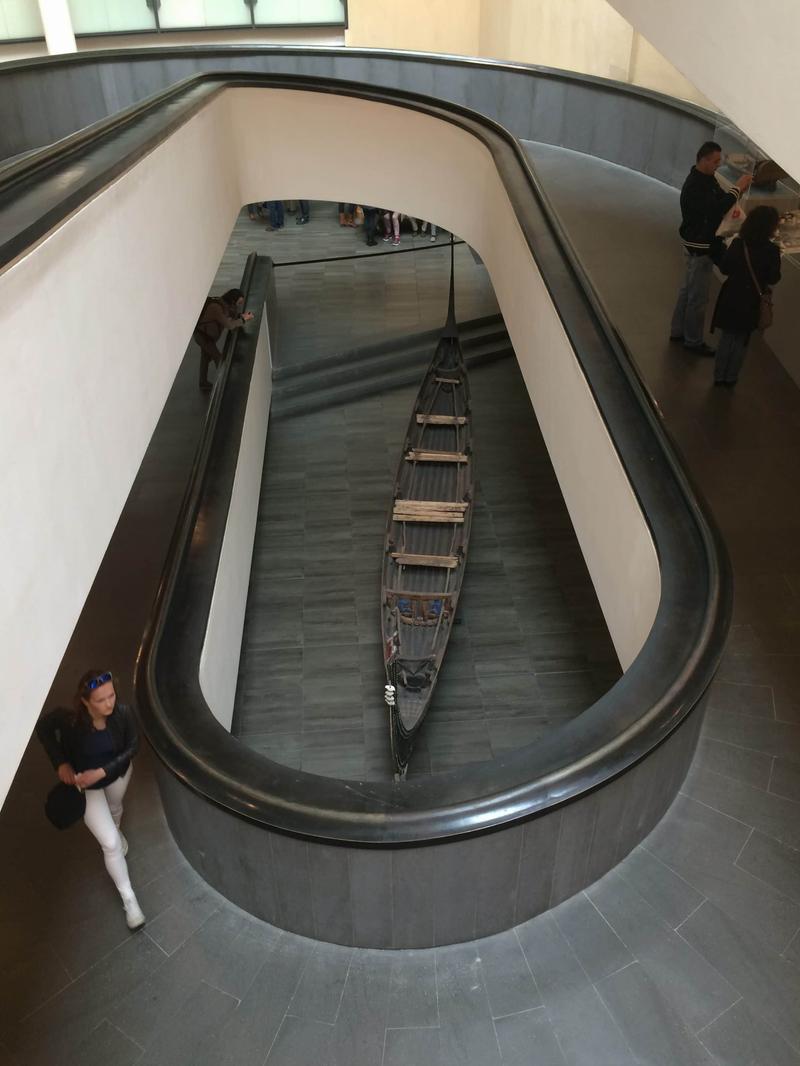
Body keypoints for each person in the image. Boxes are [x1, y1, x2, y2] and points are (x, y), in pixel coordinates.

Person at [36, 670, 146, 931]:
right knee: (109, 844)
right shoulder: (70, 721)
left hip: (117, 776)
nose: (109, 703)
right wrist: (60, 762)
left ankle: (117, 830)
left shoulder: (123, 713)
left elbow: (133, 746)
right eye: (101, 700)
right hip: (88, 788)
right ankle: (129, 900)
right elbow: (43, 727)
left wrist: (104, 771)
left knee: (116, 807)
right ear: (85, 701)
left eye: (111, 696)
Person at [669, 141, 752, 354]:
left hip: (695, 243)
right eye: (715, 161)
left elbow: (716, 204)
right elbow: (715, 210)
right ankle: (693, 341)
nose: (718, 165)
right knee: (697, 298)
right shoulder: (698, 185)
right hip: (701, 247)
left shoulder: (703, 179)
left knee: (687, 291)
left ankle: (678, 331)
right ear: (703, 159)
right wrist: (738, 189)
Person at [711, 205, 781, 386]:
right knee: (741, 340)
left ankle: (719, 376)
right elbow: (774, 278)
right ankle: (731, 377)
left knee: (727, 338)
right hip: (752, 301)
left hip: (731, 296)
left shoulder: (738, 244)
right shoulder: (772, 250)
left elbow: (725, 267)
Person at [193, 288, 254, 391]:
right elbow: (229, 325)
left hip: (207, 336)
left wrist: (240, 316)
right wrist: (243, 319)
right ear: (233, 300)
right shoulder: (216, 307)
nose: (239, 305)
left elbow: (230, 315)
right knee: (219, 358)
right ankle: (223, 385)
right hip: (203, 337)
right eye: (238, 302)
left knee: (205, 358)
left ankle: (203, 383)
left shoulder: (224, 304)